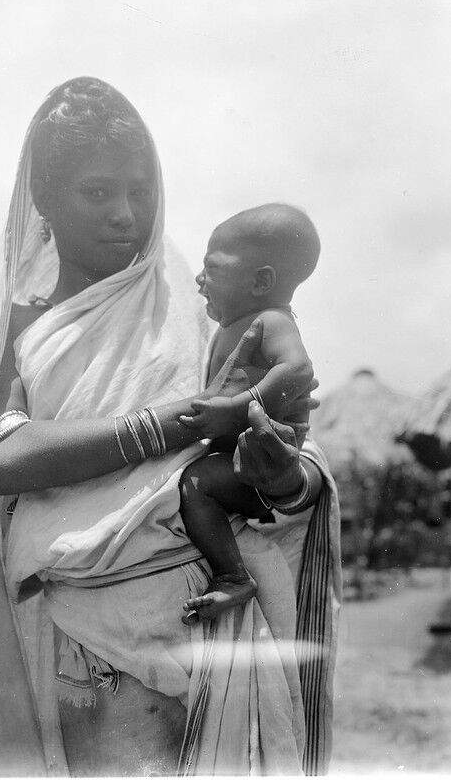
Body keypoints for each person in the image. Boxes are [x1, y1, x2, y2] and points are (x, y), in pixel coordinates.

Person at [0, 77, 342, 777]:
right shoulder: (11, 325)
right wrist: (170, 423)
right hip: (81, 636)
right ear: (43, 199)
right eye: (97, 192)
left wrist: (285, 474)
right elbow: (3, 458)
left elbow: (283, 457)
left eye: (141, 190)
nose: (126, 214)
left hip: (202, 623)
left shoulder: (195, 309)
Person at [178, 203, 320, 623]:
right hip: (238, 456)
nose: (200, 279)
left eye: (212, 269)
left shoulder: (272, 321)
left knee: (195, 484)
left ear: (261, 281)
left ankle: (232, 577)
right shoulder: (231, 326)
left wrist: (232, 411)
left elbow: (299, 370)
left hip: (261, 461)